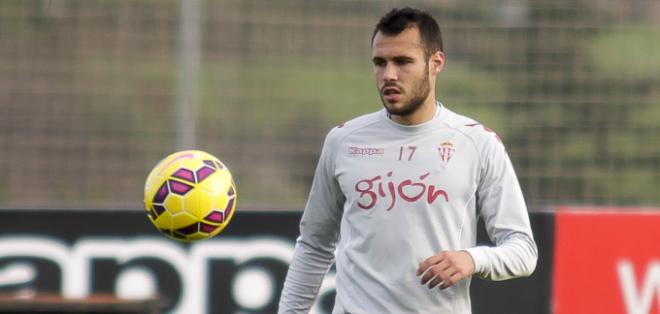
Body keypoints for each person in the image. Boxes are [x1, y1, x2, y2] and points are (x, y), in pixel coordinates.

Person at [278, 7, 537, 314]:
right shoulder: (343, 141)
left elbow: (523, 251)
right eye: (380, 62)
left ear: (436, 63)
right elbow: (314, 245)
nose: (389, 74)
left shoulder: (477, 143)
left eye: (403, 62)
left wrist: (472, 259)